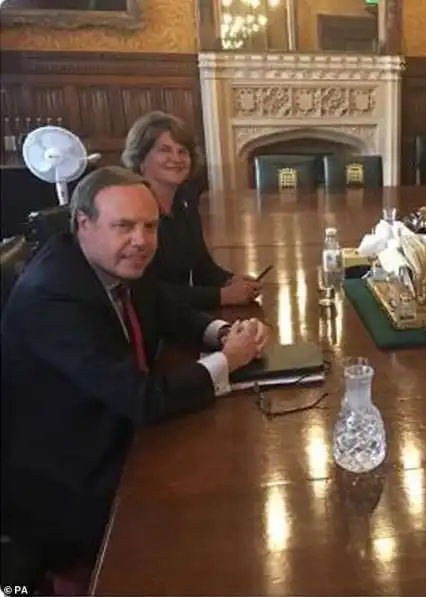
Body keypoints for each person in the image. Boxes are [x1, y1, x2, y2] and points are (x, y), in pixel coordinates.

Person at [0, 167, 268, 594]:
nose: (141, 240)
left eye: (149, 226)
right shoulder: (53, 295)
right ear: (83, 224)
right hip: (72, 475)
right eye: (124, 226)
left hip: (116, 431)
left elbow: (167, 310)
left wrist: (221, 333)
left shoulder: (112, 262)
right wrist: (226, 361)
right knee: (221, 521)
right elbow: (142, 400)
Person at [122, 110, 262, 309]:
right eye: (164, 150)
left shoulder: (185, 201)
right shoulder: (132, 208)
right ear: (141, 159)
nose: (176, 158)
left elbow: (201, 266)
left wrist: (231, 281)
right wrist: (221, 296)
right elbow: (146, 291)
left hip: (183, 317)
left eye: (182, 151)